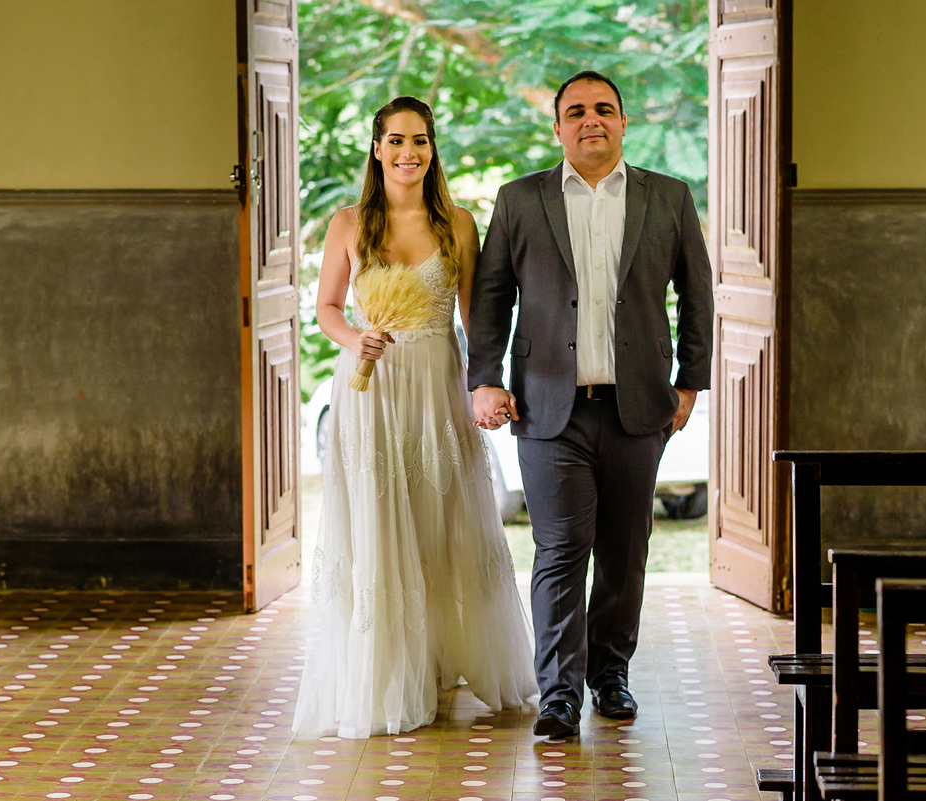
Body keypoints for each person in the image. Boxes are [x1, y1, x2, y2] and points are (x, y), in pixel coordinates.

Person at [467, 70, 714, 738]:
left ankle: (610, 674)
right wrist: (483, 377)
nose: (591, 120)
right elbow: (492, 295)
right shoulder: (521, 200)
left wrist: (690, 380)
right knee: (558, 549)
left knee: (625, 548)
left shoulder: (668, 198)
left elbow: (698, 293)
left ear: (624, 122)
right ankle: (558, 692)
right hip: (549, 410)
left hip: (638, 408)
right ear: (558, 129)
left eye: (604, 109)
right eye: (575, 111)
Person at [292, 96, 537, 740]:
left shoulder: (456, 222)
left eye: (420, 140)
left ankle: (438, 659)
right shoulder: (349, 223)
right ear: (376, 149)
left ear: (433, 148)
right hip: (369, 389)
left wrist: (486, 383)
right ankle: (382, 669)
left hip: (434, 385)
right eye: (396, 140)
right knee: (376, 523)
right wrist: (354, 341)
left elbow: (477, 317)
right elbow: (327, 307)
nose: (409, 152)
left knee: (440, 519)